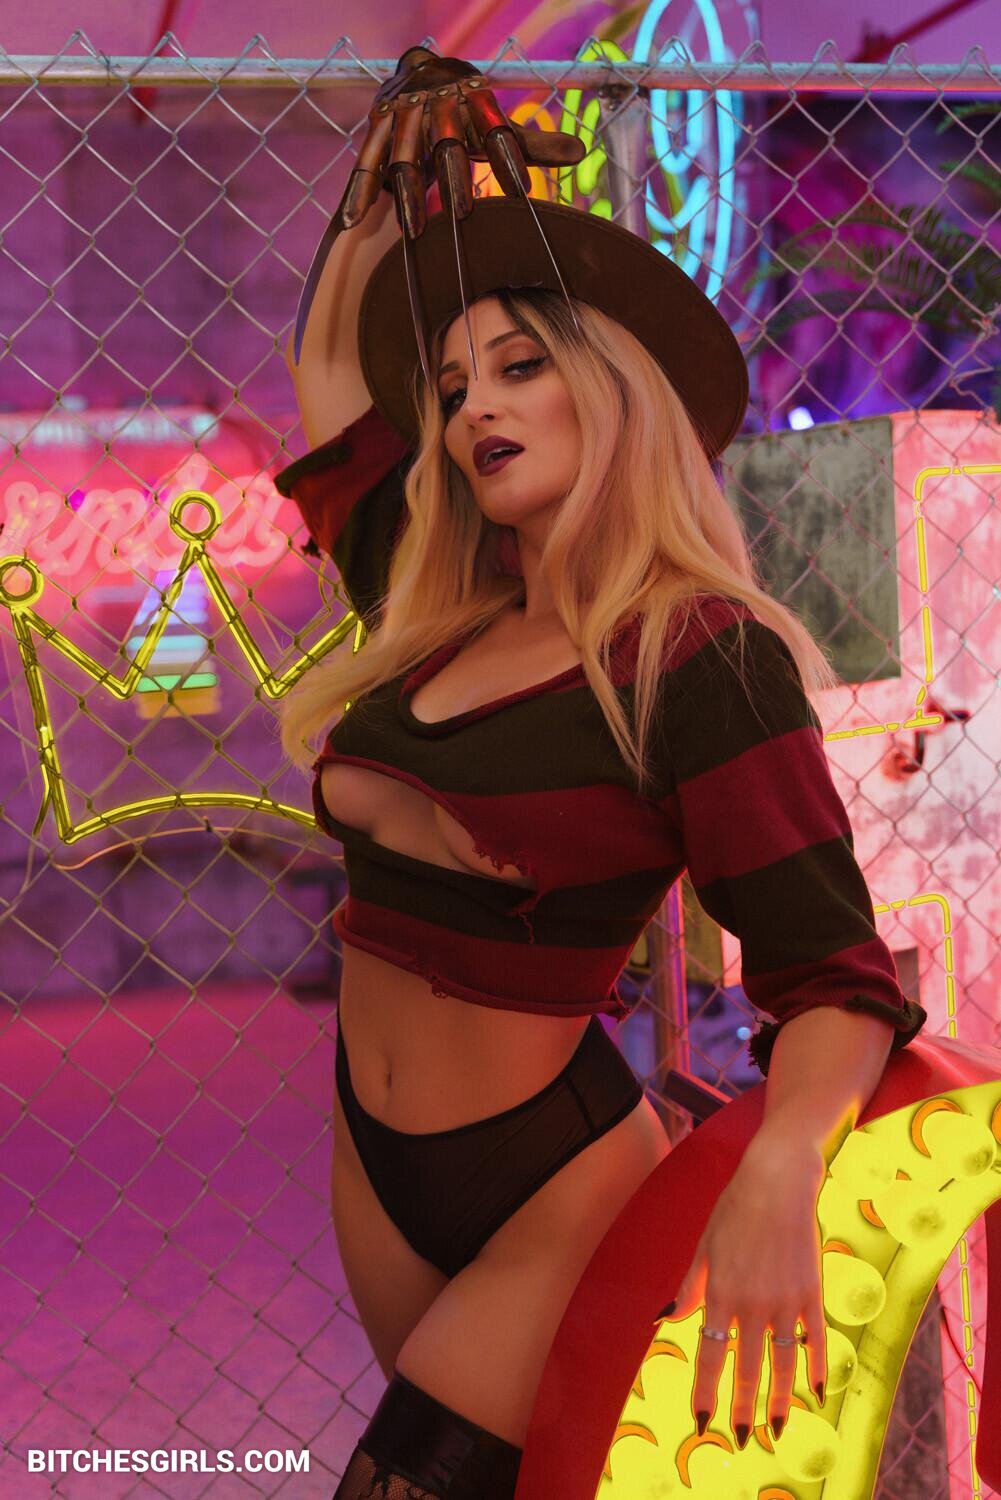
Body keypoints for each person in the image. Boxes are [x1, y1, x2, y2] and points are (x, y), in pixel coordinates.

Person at [273, 48, 927, 1500]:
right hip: (372, 1162)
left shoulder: (697, 657)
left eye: (520, 367)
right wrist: (386, 175)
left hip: (549, 1183)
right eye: (452, 386)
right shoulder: (435, 611)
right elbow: (328, 380)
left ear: (612, 390)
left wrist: (780, 1166)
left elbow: (831, 970)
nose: (470, 411)